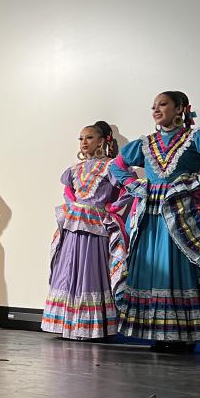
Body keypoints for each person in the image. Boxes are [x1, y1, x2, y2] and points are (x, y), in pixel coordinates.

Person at [110, 91, 200, 352]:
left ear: (180, 108)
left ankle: (185, 334)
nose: (156, 110)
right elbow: (117, 165)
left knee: (182, 267)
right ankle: (158, 333)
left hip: (184, 213)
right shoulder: (146, 143)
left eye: (163, 104)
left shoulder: (196, 138)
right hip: (152, 214)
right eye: (154, 106)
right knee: (153, 268)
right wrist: (133, 184)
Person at [41, 121, 130, 340]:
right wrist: (72, 205)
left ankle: (89, 326)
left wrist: (111, 209)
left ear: (101, 141)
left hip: (94, 223)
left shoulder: (111, 166)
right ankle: (66, 323)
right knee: (68, 267)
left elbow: (130, 187)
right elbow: (69, 191)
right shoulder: (75, 169)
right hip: (73, 221)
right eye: (81, 138)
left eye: (89, 138)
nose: (84, 142)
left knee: (89, 269)